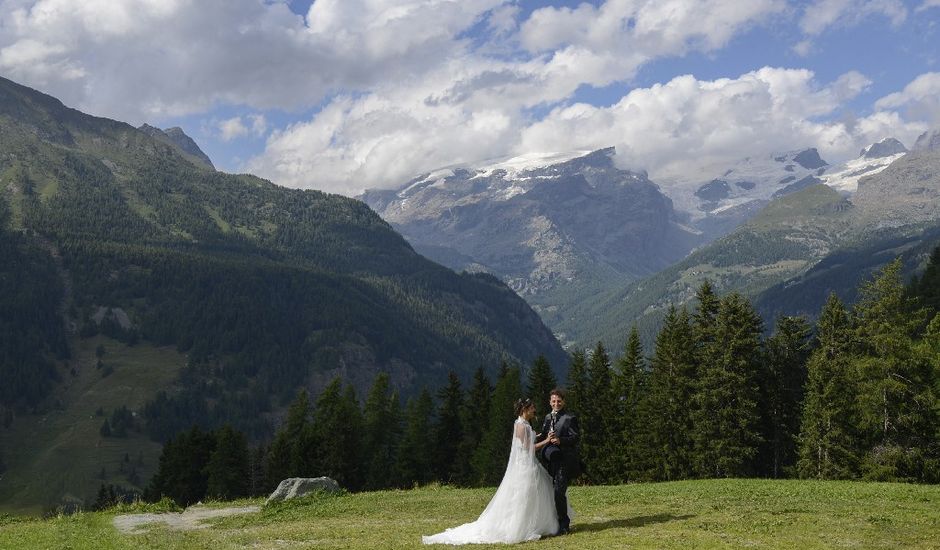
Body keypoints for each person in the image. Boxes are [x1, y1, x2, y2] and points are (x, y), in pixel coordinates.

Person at [422, 398, 569, 545]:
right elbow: (528, 448)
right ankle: (522, 526)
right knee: (525, 495)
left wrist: (538, 436)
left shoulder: (522, 424)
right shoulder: (521, 426)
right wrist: (547, 441)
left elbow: (527, 440)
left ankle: (537, 523)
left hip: (527, 464)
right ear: (524, 410)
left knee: (535, 492)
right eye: (531, 408)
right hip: (525, 465)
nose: (534, 410)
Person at [535, 388, 581, 535]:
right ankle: (553, 521)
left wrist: (560, 440)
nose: (556, 404)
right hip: (550, 460)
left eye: (559, 401)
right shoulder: (548, 417)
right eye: (553, 401)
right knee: (550, 491)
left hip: (564, 460)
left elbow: (575, 438)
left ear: (564, 401)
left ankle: (564, 524)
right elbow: (544, 434)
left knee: (559, 492)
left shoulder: (570, 418)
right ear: (550, 402)